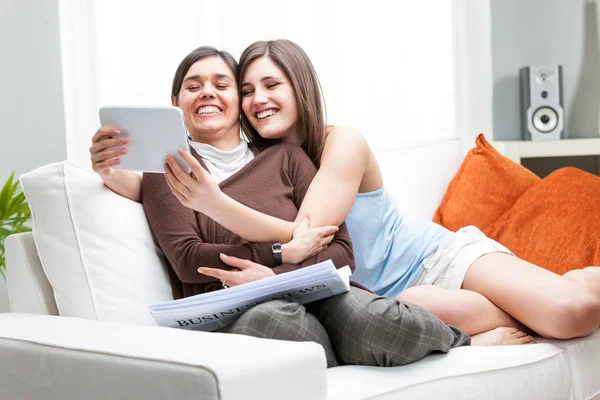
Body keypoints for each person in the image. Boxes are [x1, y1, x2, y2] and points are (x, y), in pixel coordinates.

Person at [163, 39, 600, 342]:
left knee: (568, 311)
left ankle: (570, 284)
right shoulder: (257, 162)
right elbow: (157, 186)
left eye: (272, 85)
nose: (258, 99)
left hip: (433, 259)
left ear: (301, 88)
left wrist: (214, 205)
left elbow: (305, 236)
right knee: (415, 303)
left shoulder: (341, 142)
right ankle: (524, 308)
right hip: (388, 302)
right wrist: (121, 173)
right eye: (247, 91)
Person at [90, 45, 474, 368]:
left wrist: (275, 277)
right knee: (284, 325)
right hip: (235, 308)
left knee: (381, 321)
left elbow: (340, 249)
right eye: (194, 86)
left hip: (314, 293)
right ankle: (344, 355)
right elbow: (189, 259)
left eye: (221, 84)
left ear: (239, 103)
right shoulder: (168, 170)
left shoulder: (286, 158)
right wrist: (280, 251)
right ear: (176, 104)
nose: (208, 92)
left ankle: (462, 342)